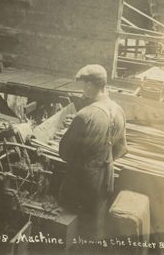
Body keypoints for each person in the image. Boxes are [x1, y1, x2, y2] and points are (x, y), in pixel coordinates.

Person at [58, 64, 128, 239]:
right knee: (95, 223)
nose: (83, 89)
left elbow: (65, 152)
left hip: (82, 182)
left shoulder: (85, 115)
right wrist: (103, 161)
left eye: (83, 84)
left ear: (89, 85)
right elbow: (122, 148)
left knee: (72, 225)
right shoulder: (118, 110)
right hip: (106, 178)